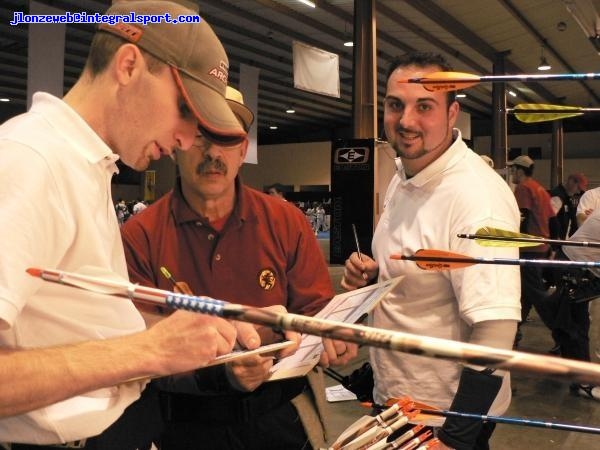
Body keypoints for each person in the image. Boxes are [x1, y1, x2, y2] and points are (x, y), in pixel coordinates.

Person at [0, 1, 262, 448]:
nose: (185, 139)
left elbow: (70, 323)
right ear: (127, 66)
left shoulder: (86, 164)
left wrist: (192, 329)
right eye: (185, 110)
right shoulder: (31, 161)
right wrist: (151, 350)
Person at [121, 86, 356, 450]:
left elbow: (316, 317)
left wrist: (331, 338)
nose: (213, 153)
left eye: (227, 138)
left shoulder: (287, 222)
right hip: (185, 426)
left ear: (243, 149)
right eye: (201, 136)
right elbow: (135, 351)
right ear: (176, 142)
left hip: (282, 420)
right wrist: (220, 373)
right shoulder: (141, 236)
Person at [340, 52, 521, 450]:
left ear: (452, 113)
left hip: (444, 416)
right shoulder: (405, 175)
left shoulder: (477, 198)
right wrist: (374, 276)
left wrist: (455, 438)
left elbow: (496, 327)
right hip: (400, 402)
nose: (406, 121)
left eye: (425, 106)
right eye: (395, 105)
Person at [548, 208, 600, 400]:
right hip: (575, 265)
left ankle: (578, 376)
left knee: (575, 324)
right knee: (575, 326)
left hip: (581, 265)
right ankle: (582, 382)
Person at [507, 156, 558, 329]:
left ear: (520, 171)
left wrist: (513, 245)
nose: (512, 173)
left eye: (513, 170)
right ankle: (514, 332)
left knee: (536, 294)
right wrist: (553, 246)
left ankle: (562, 331)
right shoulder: (540, 189)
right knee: (524, 294)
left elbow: (523, 218)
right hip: (541, 246)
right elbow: (553, 220)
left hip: (528, 248)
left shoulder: (523, 188)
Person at [549, 173, 587, 238]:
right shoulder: (558, 197)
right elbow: (550, 220)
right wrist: (556, 240)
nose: (578, 192)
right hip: (555, 242)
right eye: (578, 188)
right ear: (571, 181)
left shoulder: (566, 198)